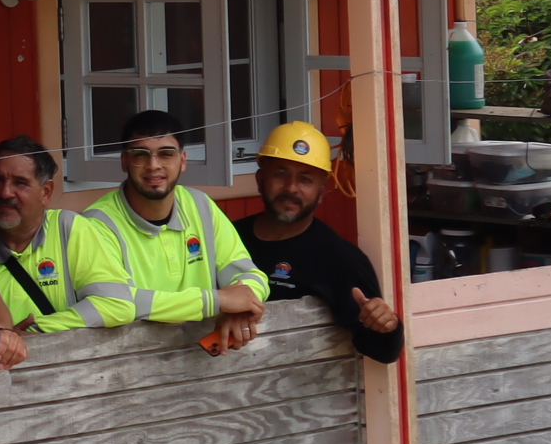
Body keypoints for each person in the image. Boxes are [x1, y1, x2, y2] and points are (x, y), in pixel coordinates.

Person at [80, 110, 270, 349]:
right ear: (124, 161)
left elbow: (251, 275)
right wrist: (217, 301)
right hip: (127, 363)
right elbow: (122, 301)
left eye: (166, 154)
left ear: (183, 161)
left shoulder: (200, 205)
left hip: (203, 362)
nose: (153, 165)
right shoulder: (97, 223)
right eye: (140, 155)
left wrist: (241, 306)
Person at [0, 136, 128, 367]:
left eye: (20, 183)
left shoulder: (69, 229)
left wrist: (37, 330)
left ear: (46, 192)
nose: (5, 192)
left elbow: (117, 305)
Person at [234, 122, 405, 362]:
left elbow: (383, 352)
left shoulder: (340, 259)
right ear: (260, 180)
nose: (291, 188)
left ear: (322, 193)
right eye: (280, 174)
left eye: (305, 180)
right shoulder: (227, 237)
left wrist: (387, 327)